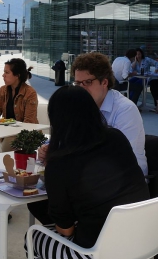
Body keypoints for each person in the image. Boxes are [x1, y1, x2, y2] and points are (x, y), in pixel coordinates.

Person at [25, 85, 150, 259]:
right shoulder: (116, 137)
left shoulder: (59, 162)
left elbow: (65, 230)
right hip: (138, 254)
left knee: (33, 238)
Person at [32, 52, 147, 225]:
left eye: (87, 82)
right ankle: (68, 237)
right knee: (39, 202)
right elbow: (66, 138)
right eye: (78, 83)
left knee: (55, 197)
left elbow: (120, 158)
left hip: (122, 184)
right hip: (93, 179)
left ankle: (72, 240)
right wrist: (49, 149)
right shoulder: (79, 109)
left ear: (104, 82)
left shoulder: (125, 110)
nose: (81, 88)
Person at [0, 58, 38, 152]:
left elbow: (29, 122)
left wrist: (12, 130)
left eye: (7, 72)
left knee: (8, 143)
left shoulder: (30, 93)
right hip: (6, 131)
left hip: (25, 133)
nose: (3, 75)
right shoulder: (3, 90)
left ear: (17, 76)